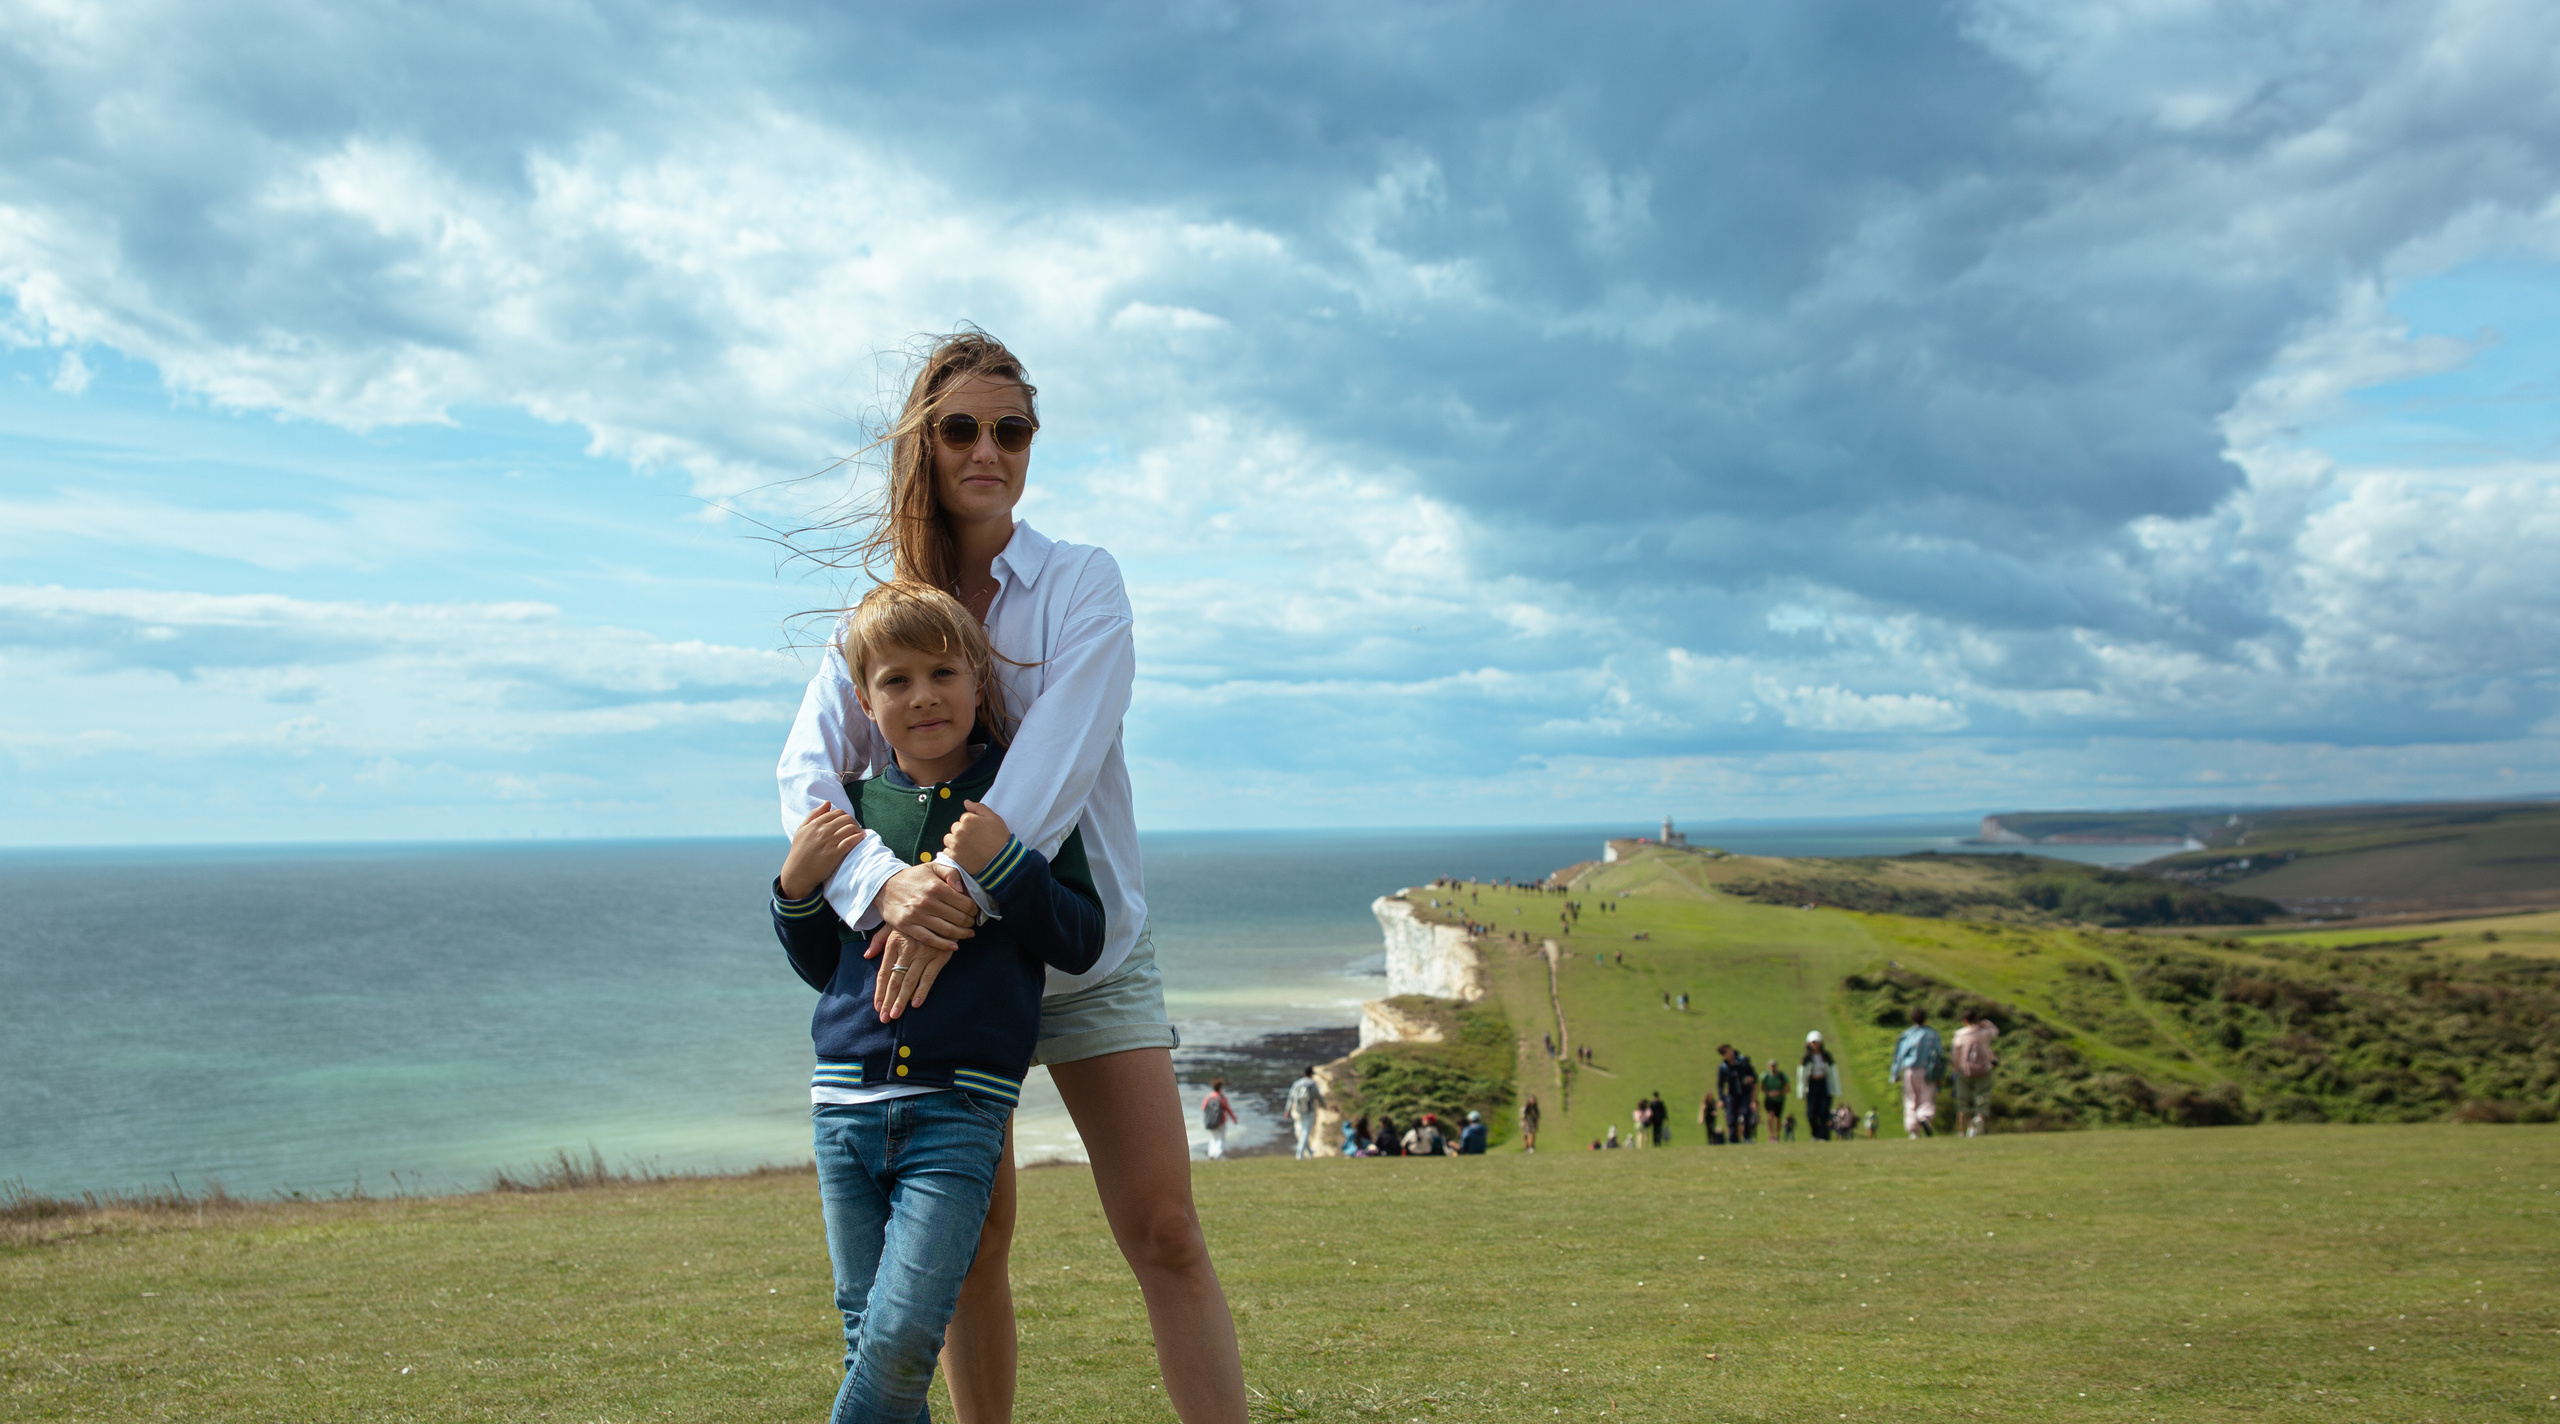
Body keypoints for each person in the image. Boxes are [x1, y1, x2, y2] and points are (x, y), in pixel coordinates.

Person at [775, 332, 1245, 1424]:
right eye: (960, 428)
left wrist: (934, 901)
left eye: (1011, 428)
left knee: (1163, 1228)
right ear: (922, 444)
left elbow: (1054, 766)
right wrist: (883, 894)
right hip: (943, 978)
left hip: (1083, 952)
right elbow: (811, 777)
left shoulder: (1080, 581)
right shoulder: (888, 614)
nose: (987, 448)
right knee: (971, 1246)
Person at [770, 582, 1108, 1424]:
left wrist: (1002, 865)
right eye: (895, 680)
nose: (922, 695)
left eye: (943, 672)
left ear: (978, 682)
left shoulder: (1021, 802)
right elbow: (823, 968)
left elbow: (1080, 937)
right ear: (863, 700)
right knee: (866, 1331)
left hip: (960, 1110)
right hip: (841, 1105)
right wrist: (795, 887)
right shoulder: (848, 813)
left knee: (903, 1332)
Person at [1890, 1007, 1949, 1138]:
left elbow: (1899, 1055)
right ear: (1926, 1018)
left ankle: (1913, 1130)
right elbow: (1939, 1055)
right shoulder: (1933, 1034)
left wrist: (1895, 1073)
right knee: (1927, 1097)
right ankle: (1924, 1116)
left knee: (1910, 1099)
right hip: (1928, 1070)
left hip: (1910, 1070)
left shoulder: (1907, 1034)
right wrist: (1940, 1074)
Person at [1951, 1006, 2001, 1138]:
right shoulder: (1983, 1033)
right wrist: (1985, 1023)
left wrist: (1955, 1069)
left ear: (1964, 1020)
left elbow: (1955, 1055)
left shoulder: (1960, 1034)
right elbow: (1995, 1031)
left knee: (1963, 1099)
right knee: (1982, 1095)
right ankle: (1978, 1118)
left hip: (1964, 1070)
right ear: (1976, 1018)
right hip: (1984, 1068)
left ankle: (1965, 1128)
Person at [1798, 1031, 1844, 1142]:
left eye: (1817, 1042)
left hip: (1824, 1085)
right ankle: (1815, 1134)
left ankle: (1824, 1135)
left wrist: (1836, 1089)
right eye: (1813, 1042)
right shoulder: (1807, 1058)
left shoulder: (1826, 1056)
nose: (1815, 1045)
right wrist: (1801, 1092)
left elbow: (1833, 1073)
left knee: (1824, 1111)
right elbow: (1801, 1076)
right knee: (1811, 1112)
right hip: (1812, 1085)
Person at [1716, 1045, 1757, 1145]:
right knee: (1731, 1117)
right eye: (1726, 1053)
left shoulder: (1743, 1061)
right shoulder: (1723, 1067)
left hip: (1745, 1093)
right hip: (1732, 1094)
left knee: (1746, 1113)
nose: (1730, 1053)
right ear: (1724, 1056)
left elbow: (1754, 1076)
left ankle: (1747, 1138)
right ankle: (1733, 1140)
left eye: (1730, 1051)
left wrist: (1750, 1078)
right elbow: (1720, 1084)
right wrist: (1721, 1098)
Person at [1286, 1066, 1325, 1160]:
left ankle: (1309, 1151)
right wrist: (1324, 1105)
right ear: (1311, 1074)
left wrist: (1287, 1110)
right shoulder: (1312, 1084)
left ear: (1303, 1074)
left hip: (1297, 1110)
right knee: (1305, 1131)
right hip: (1309, 1110)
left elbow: (1291, 1098)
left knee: (1300, 1131)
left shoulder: (1297, 1083)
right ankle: (1299, 1153)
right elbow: (1318, 1096)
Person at [1200, 1078, 1239, 1161]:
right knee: (1220, 1139)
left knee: (1213, 1138)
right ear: (1220, 1087)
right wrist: (1234, 1118)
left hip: (1210, 1121)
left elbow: (1203, 1108)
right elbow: (1228, 1109)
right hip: (1221, 1122)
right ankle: (1217, 1154)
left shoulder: (1208, 1097)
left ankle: (1211, 1153)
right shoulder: (1222, 1098)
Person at [1759, 1056, 1789, 1138]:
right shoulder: (1765, 1076)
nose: (1773, 1068)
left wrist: (1778, 1092)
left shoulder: (1782, 1076)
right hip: (1769, 1099)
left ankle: (1777, 1135)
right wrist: (1768, 1093)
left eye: (1774, 1066)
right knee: (1770, 1115)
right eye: (1771, 1066)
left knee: (1777, 1118)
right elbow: (1762, 1087)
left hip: (1779, 1099)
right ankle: (1770, 1135)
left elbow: (1788, 1088)